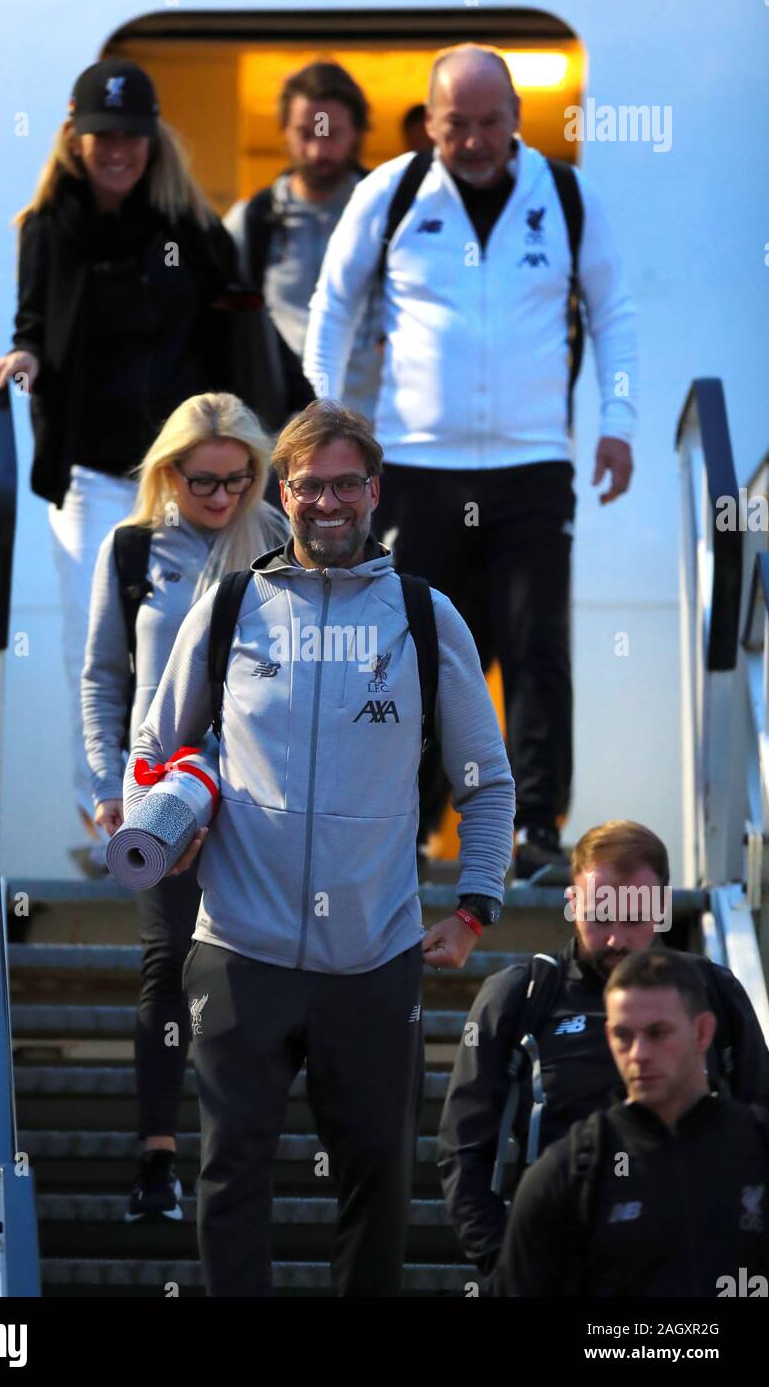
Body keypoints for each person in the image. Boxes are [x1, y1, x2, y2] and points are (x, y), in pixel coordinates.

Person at [122, 398, 515, 1295]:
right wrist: (161, 824)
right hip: (239, 949)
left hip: (372, 955)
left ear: (373, 492)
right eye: (309, 487)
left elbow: (484, 778)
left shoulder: (422, 615)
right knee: (230, 1179)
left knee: (378, 1185)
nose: (328, 504)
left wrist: (474, 905)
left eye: (346, 485)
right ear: (283, 494)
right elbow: (151, 751)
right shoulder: (228, 606)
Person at [304, 43, 638, 877]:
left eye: (492, 122)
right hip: (415, 466)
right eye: (458, 124)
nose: (476, 139)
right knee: (409, 651)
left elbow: (612, 311)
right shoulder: (392, 193)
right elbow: (332, 303)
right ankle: (404, 828)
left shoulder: (564, 195)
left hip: (531, 465)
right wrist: (318, 416)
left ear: (516, 120)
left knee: (535, 647)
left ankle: (534, 834)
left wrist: (619, 417)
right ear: (430, 120)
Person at [0, 58, 238, 868]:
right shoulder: (48, 227)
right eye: (101, 135)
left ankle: (184, 804)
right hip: (89, 475)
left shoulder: (192, 232)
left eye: (131, 134)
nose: (117, 148)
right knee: (98, 653)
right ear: (75, 136)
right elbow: (32, 322)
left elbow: (233, 338)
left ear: (151, 141)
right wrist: (21, 356)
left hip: (181, 483)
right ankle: (108, 809)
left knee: (189, 644)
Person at [81, 392, 288, 1222]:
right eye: (203, 481)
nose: (221, 498)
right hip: (158, 787)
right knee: (168, 961)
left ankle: (241, 1161)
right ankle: (157, 1160)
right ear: (169, 471)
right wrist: (103, 785)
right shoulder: (133, 549)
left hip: (256, 789)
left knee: (249, 970)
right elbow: (102, 674)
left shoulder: (278, 540)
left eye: (239, 480)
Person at [438, 820, 769, 1278]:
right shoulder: (520, 997)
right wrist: (506, 1264)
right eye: (600, 915)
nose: (617, 938)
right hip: (562, 1260)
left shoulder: (714, 991)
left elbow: (760, 1122)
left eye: (634, 918)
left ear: (661, 909)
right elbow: (463, 1149)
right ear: (572, 906)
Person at [492, 949, 769, 1296]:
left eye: (657, 1033)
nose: (638, 1054)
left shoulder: (758, 1151)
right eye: (624, 1036)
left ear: (703, 1032)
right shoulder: (568, 1174)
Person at [225, 61, 381, 424]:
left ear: (357, 133)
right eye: (305, 133)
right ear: (283, 131)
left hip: (378, 433)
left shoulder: (392, 214)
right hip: (282, 434)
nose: (317, 151)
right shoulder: (252, 221)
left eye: (331, 134)